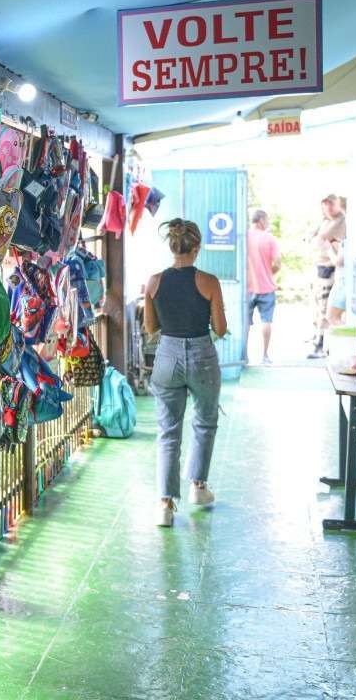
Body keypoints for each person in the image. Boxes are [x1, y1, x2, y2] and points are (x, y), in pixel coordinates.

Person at [143, 219, 228, 527]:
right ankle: (198, 487)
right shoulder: (209, 281)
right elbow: (220, 328)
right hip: (202, 354)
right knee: (204, 422)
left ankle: (165, 505)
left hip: (166, 356)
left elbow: (150, 328)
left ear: (172, 247)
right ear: (197, 248)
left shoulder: (153, 282)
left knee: (168, 432)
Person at [308, 194, 346, 358]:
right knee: (318, 306)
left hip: (330, 269)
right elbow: (312, 239)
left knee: (327, 309)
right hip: (319, 267)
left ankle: (322, 344)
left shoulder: (341, 221)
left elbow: (323, 239)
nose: (328, 207)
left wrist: (324, 241)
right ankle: (318, 337)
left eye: (331, 204)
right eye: (325, 204)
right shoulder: (324, 221)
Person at [246, 210, 281, 364]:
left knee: (245, 323)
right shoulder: (269, 238)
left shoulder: (244, 236)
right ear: (261, 220)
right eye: (266, 220)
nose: (267, 223)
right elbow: (277, 263)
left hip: (247, 288)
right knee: (266, 321)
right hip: (267, 287)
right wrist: (269, 273)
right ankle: (264, 356)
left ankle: (243, 356)